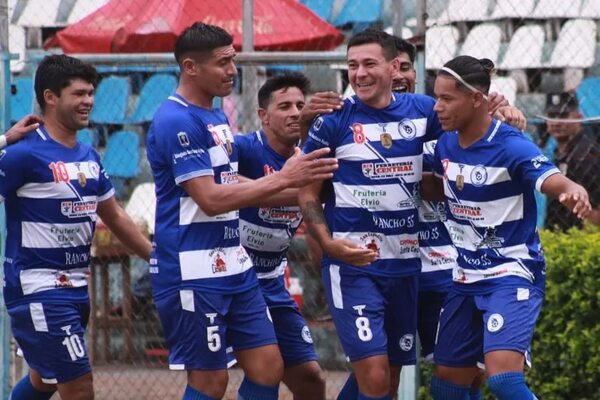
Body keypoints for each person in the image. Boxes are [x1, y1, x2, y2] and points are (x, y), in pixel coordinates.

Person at [146, 23, 337, 400]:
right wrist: (286, 178)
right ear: (190, 67)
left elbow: (236, 189)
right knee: (210, 383)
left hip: (236, 265)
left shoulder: (216, 118)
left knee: (269, 367)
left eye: (233, 60)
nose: (233, 70)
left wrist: (299, 185)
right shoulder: (175, 120)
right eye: (223, 63)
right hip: (194, 268)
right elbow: (211, 199)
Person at [427, 55, 590, 400]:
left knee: (503, 379)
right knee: (447, 384)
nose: (437, 107)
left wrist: (573, 190)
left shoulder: (510, 144)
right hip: (464, 275)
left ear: (476, 99)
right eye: (436, 97)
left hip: (510, 272)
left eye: (446, 99)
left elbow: (553, 180)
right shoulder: (444, 142)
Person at [2, 54, 152, 400]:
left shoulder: (88, 155)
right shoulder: (24, 154)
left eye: (91, 93)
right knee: (79, 387)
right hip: (39, 288)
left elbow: (114, 216)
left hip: (75, 287)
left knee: (45, 380)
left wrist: (157, 259)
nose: (89, 101)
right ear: (50, 97)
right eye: (79, 93)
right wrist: (4, 140)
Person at [235, 73, 326, 399]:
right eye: (284, 105)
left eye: (301, 105)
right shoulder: (243, 148)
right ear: (263, 115)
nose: (294, 113)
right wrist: (296, 193)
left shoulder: (310, 157)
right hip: (233, 281)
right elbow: (221, 187)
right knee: (264, 370)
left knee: (311, 379)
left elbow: (315, 213)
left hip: (273, 280)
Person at [542, 93, 600, 230]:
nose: (556, 122)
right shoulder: (560, 152)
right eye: (552, 116)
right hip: (560, 236)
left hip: (583, 240)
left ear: (578, 117)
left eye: (563, 116)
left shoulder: (589, 155)